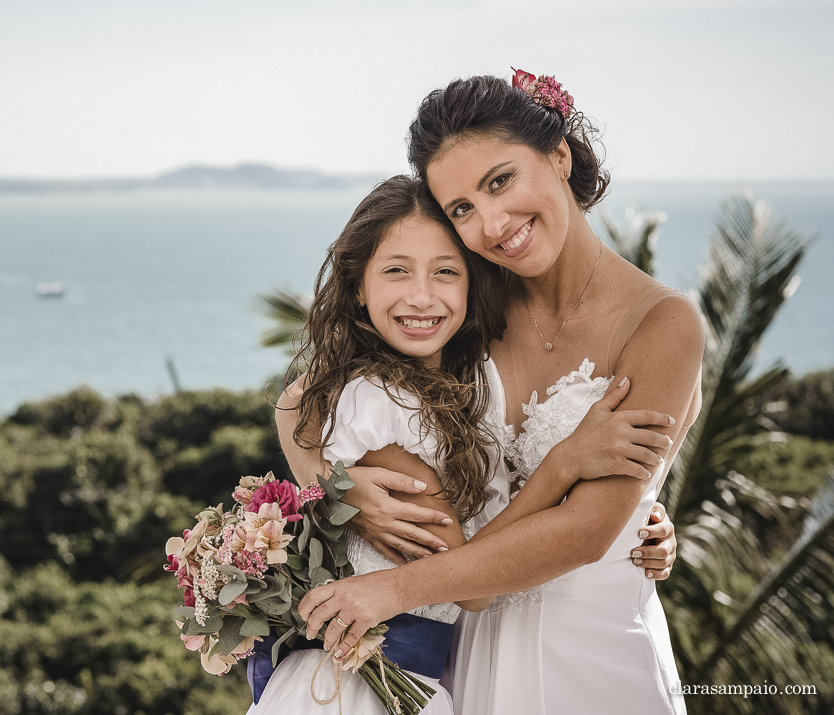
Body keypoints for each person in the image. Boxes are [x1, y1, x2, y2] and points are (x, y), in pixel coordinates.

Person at [291, 72, 702, 714]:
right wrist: (340, 488)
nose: (492, 224)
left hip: (595, 651)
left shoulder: (663, 325)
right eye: (462, 210)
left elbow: (590, 531)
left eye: (500, 181)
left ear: (559, 154)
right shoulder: (469, 306)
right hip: (467, 651)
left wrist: (393, 590)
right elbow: (303, 399)